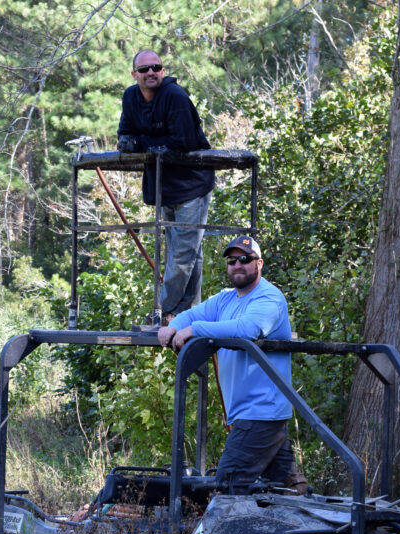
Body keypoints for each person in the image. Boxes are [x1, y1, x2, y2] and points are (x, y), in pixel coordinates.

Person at [157, 235, 296, 486]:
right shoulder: (225, 299)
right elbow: (193, 314)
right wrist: (173, 326)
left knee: (227, 486)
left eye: (245, 259)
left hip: (260, 413)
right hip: (252, 414)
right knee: (285, 490)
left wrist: (194, 330)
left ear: (259, 263)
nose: (238, 265)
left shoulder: (269, 298)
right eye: (232, 261)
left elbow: (248, 329)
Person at [117, 49, 215, 322]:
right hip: (163, 187)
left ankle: (161, 312)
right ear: (134, 74)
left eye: (156, 67)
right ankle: (186, 314)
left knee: (182, 254)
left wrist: (141, 143)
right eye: (144, 69)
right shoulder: (130, 97)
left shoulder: (175, 97)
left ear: (162, 71)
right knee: (188, 253)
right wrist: (136, 142)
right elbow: (125, 134)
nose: (150, 72)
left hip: (192, 186)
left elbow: (183, 142)